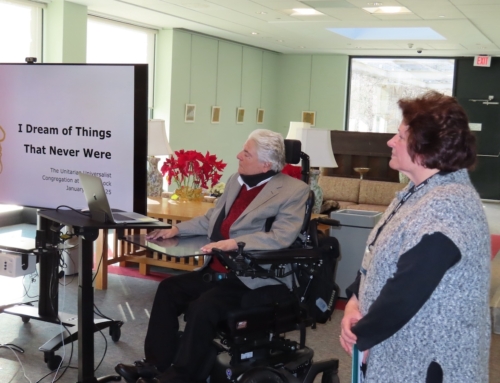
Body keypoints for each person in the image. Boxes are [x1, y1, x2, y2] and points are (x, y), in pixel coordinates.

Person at [115, 129, 310, 383]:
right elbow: (211, 219)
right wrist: (175, 230)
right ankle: (155, 365)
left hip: (252, 277)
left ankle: (180, 377)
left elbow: (280, 237)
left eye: (246, 153)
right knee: (168, 290)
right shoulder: (235, 181)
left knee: (203, 307)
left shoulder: (294, 191)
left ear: (266, 164)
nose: (238, 155)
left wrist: (234, 243)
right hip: (217, 270)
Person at [339, 91, 491, 383]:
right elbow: (378, 255)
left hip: (430, 363)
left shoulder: (449, 205)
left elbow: (408, 290)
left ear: (424, 147)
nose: (390, 142)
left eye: (399, 136)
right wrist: (354, 302)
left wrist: (362, 332)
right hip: (399, 351)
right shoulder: (418, 191)